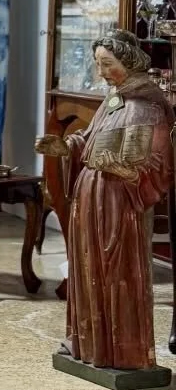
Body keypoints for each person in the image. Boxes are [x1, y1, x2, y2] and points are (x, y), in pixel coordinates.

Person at [37, 31, 175, 370]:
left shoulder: (149, 105)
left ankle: (122, 352)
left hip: (120, 201)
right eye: (98, 64)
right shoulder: (115, 98)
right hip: (92, 195)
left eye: (107, 64)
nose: (101, 72)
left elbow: (160, 166)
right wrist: (64, 147)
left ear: (129, 61)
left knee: (118, 271)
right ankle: (88, 343)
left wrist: (125, 171)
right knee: (89, 268)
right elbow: (88, 140)